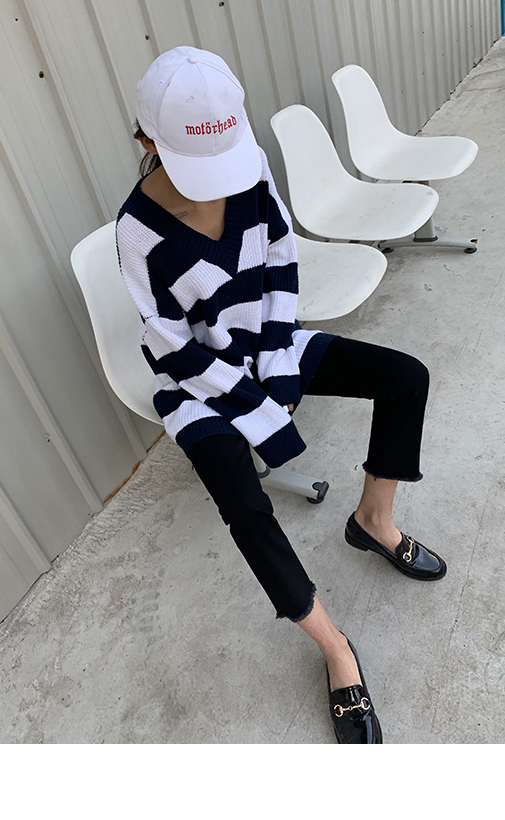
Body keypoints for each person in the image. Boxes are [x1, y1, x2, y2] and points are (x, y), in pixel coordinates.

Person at [115, 46, 446, 744]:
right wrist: (257, 406)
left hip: (269, 344)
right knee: (244, 503)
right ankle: (335, 647)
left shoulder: (249, 162)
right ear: (147, 142)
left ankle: (374, 521)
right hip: (199, 383)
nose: (218, 180)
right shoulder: (136, 233)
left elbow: (281, 261)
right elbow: (170, 348)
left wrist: (278, 370)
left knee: (405, 377)